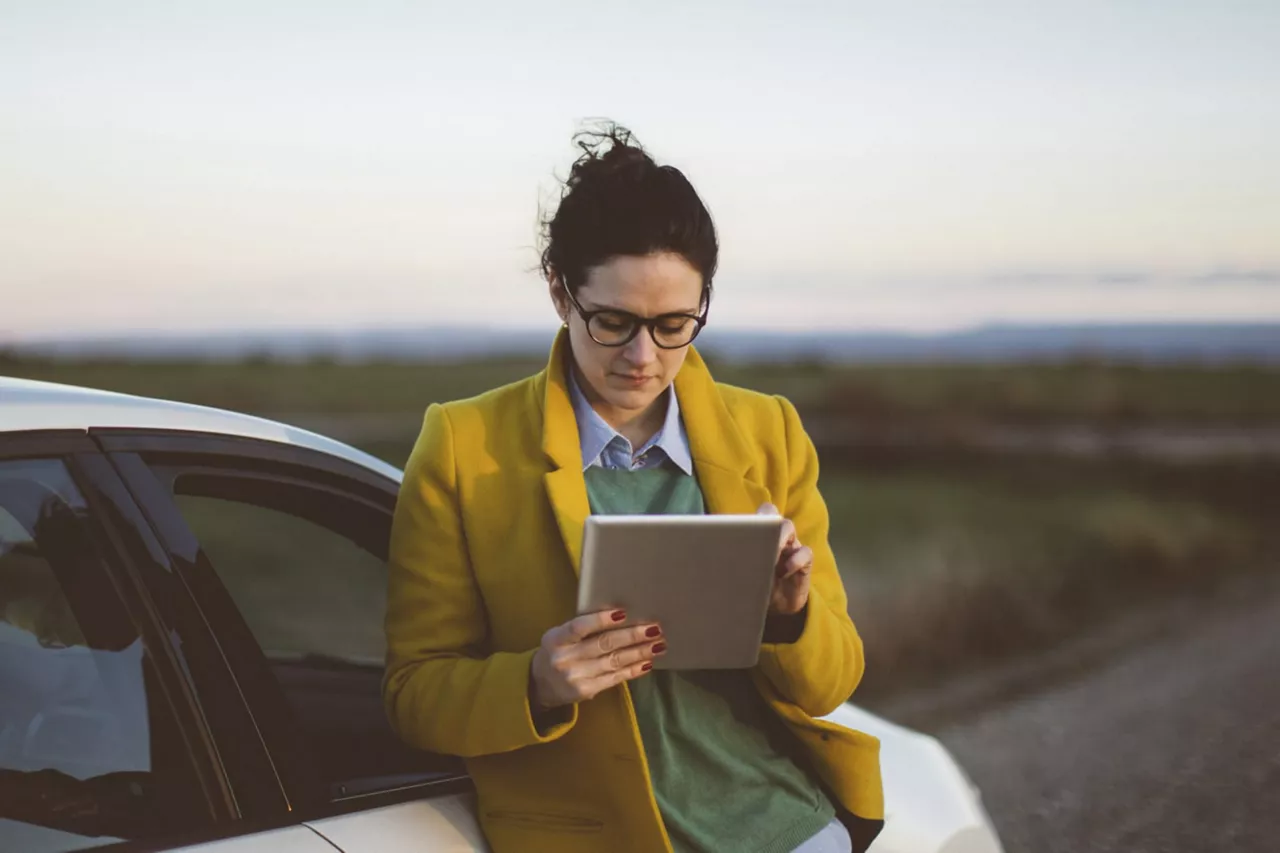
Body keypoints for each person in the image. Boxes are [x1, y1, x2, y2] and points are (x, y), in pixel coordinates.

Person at [384, 124, 883, 853]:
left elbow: (832, 682)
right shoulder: (464, 446)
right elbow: (413, 694)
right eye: (613, 322)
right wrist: (535, 681)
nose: (644, 356)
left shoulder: (769, 430)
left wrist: (790, 615)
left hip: (786, 827)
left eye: (675, 324)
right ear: (561, 293)